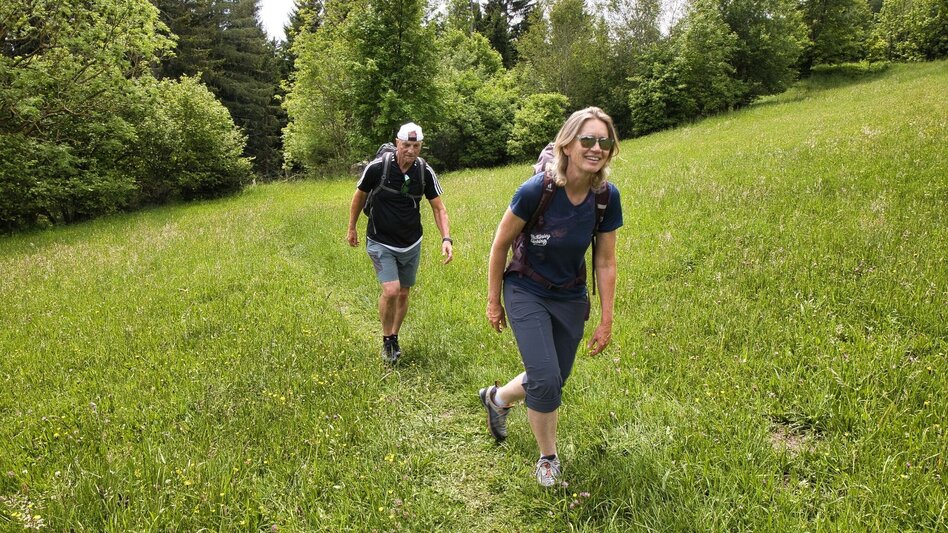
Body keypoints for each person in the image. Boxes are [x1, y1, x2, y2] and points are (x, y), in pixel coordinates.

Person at [479, 107, 623, 487]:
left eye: (604, 141)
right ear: (567, 144)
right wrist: (494, 300)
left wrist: (607, 319)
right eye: (587, 140)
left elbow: (605, 262)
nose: (596, 148)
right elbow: (500, 245)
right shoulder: (536, 190)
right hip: (525, 287)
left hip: (571, 295)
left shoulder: (606, 197)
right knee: (544, 378)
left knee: (554, 379)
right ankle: (548, 459)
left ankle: (497, 398)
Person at [347, 122, 454, 363]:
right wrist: (352, 227)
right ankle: (386, 340)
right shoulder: (378, 168)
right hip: (380, 240)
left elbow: (439, 208)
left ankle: (394, 336)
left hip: (411, 242)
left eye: (416, 146)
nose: (411, 150)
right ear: (397, 142)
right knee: (391, 290)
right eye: (406, 144)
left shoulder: (424, 171)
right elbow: (359, 196)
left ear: (421, 146)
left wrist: (446, 238)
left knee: (404, 293)